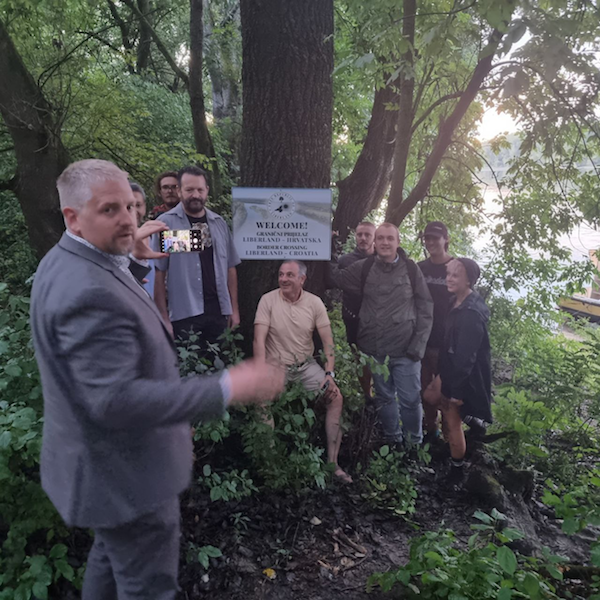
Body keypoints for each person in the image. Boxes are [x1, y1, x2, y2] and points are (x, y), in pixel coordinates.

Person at [30, 159, 284, 600]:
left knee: (110, 563)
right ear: (72, 216)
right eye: (111, 210)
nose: (128, 219)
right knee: (146, 586)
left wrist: (130, 256)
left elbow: (212, 257)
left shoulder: (71, 257)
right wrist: (228, 387)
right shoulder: (89, 288)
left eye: (130, 207)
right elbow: (114, 400)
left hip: (106, 468)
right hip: (127, 475)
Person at [329, 223, 433, 446]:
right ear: (375, 243)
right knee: (384, 398)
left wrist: (418, 346)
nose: (385, 243)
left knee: (410, 401)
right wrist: (328, 246)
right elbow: (336, 278)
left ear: (398, 242)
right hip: (374, 349)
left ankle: (414, 444)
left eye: (390, 239)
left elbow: (426, 308)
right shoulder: (364, 267)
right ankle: (392, 440)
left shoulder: (411, 269)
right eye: (381, 238)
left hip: (406, 350)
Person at [253, 260, 352, 483]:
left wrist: (329, 374)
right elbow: (258, 340)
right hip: (275, 367)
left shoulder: (314, 303)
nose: (284, 279)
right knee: (261, 399)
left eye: (289, 275)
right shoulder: (267, 300)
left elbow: (328, 342)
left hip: (306, 367)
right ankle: (270, 465)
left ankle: (333, 464)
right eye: (281, 274)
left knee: (336, 398)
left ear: (302, 279)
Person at [423, 258, 493, 487]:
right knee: (430, 397)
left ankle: (456, 471)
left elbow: (467, 357)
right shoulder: (456, 301)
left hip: (462, 375)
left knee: (451, 419)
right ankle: (471, 421)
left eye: (455, 275)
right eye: (448, 274)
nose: (449, 279)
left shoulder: (471, 312)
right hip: (449, 367)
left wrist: (456, 392)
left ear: (469, 280)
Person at [154, 165, 240, 344]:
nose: (195, 195)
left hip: (218, 311)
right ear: (179, 191)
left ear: (206, 190)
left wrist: (234, 309)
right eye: (189, 190)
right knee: (188, 369)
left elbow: (230, 267)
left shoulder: (219, 224)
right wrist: (163, 316)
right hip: (184, 314)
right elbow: (158, 272)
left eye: (200, 189)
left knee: (218, 368)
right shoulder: (165, 224)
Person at [417, 221, 453, 440]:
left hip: (446, 344)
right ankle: (432, 431)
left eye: (435, 238)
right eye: (427, 239)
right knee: (424, 391)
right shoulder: (420, 268)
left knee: (446, 393)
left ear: (446, 239)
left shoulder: (456, 268)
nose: (430, 242)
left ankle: (452, 439)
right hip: (422, 341)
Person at [337, 222, 376, 400]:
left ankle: (383, 394)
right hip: (352, 316)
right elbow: (332, 278)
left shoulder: (382, 258)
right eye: (360, 234)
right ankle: (367, 395)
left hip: (377, 318)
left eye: (367, 234)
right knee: (359, 358)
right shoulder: (345, 260)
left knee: (378, 357)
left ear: (374, 237)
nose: (363, 238)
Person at [130, 181, 155, 297]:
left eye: (138, 205)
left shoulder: (154, 236)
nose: (134, 211)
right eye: (129, 206)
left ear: (144, 206)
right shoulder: (111, 243)